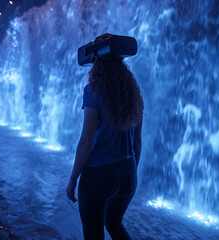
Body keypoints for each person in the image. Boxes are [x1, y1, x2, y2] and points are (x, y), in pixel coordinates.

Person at [66, 33, 144, 240]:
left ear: (96, 63)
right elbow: (137, 143)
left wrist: (73, 178)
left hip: (98, 176)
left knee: (93, 235)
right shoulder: (134, 94)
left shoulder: (93, 91)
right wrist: (131, 171)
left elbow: (86, 141)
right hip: (128, 174)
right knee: (114, 223)